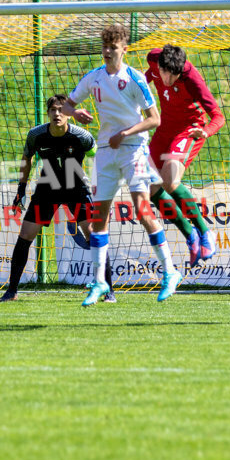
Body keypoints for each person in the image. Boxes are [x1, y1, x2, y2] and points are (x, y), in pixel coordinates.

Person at [62, 24, 182, 306]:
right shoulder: (93, 78)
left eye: (112, 48)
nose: (106, 52)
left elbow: (155, 119)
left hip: (132, 150)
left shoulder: (135, 78)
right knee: (98, 218)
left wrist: (126, 133)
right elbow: (67, 105)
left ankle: (170, 271)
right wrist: (75, 111)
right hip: (105, 151)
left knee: (142, 210)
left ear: (123, 49)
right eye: (104, 47)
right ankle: (100, 282)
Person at [1, 94, 107, 302]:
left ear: (68, 114)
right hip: (47, 189)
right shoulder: (36, 135)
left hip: (76, 189)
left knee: (94, 236)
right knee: (25, 236)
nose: (57, 114)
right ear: (48, 113)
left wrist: (102, 187)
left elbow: (100, 157)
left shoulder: (82, 136)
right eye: (53, 110)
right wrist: (21, 189)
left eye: (61, 110)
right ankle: (11, 290)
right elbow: (27, 158)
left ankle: (107, 289)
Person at [144, 44, 225, 266]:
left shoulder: (192, 80)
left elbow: (218, 116)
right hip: (164, 127)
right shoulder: (153, 58)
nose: (168, 80)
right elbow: (145, 78)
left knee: (170, 181)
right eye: (165, 74)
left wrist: (205, 132)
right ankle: (190, 235)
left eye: (174, 76)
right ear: (160, 65)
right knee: (149, 187)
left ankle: (205, 231)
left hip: (189, 129)